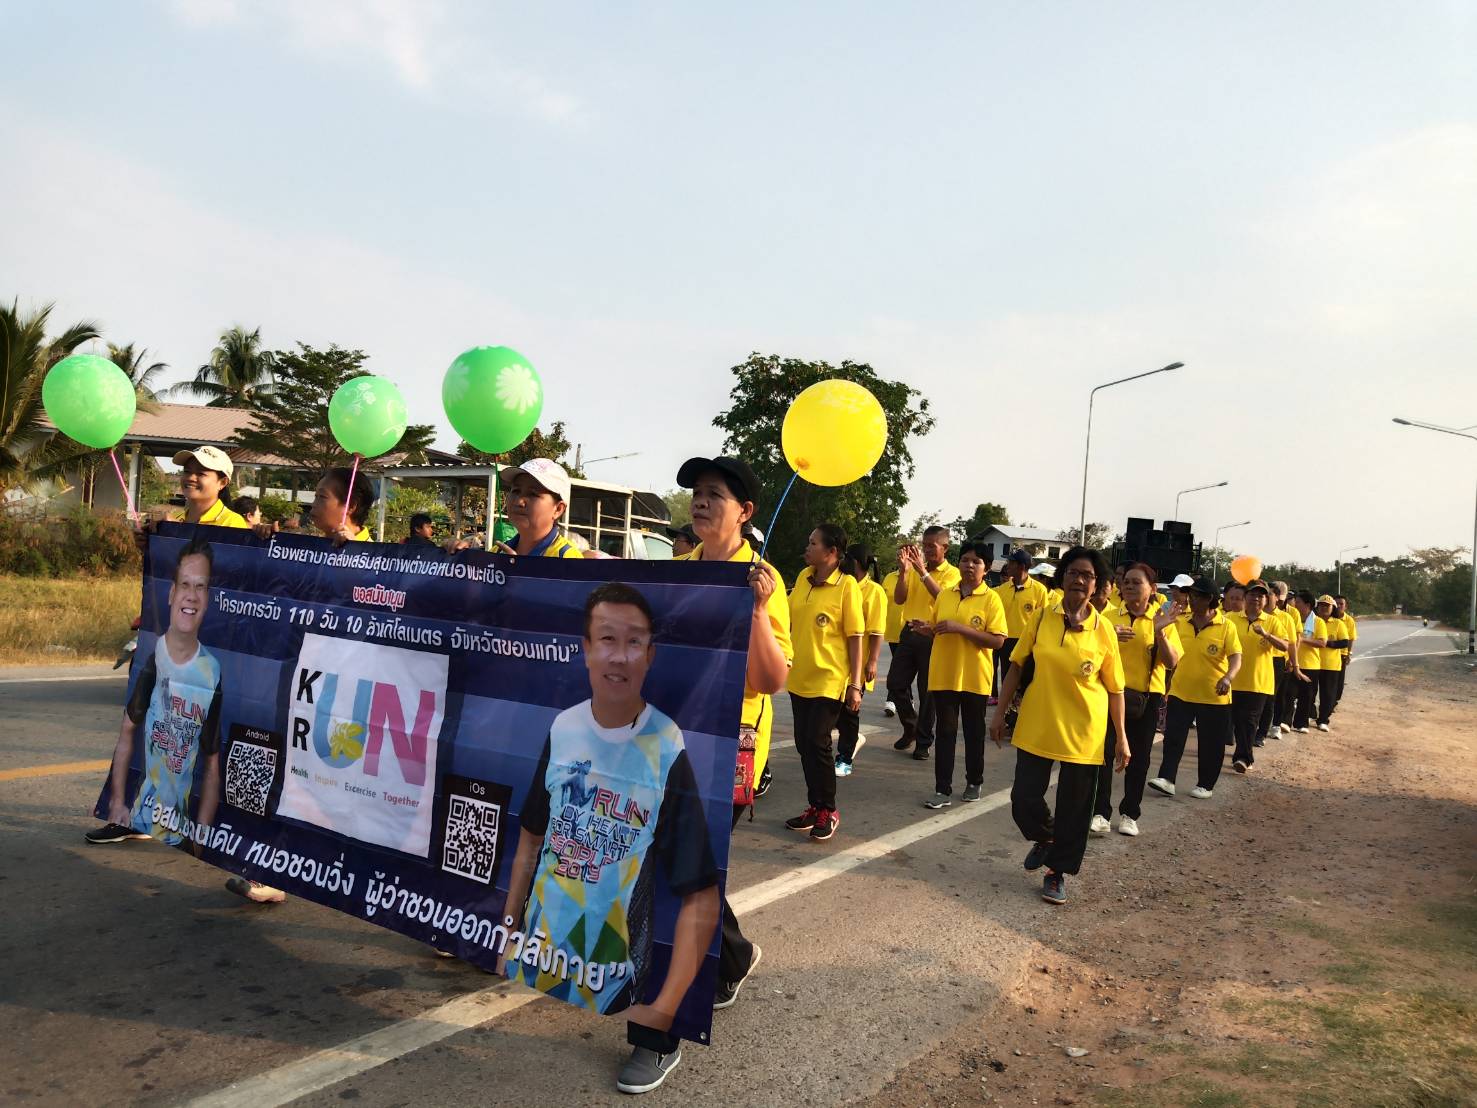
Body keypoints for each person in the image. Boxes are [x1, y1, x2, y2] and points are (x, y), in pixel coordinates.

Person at [500, 582, 720, 1095]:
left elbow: (701, 892)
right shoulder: (563, 727)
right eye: (606, 639)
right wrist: (508, 931)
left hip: (617, 972)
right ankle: (734, 958)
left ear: (650, 655)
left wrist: (663, 1010)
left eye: (634, 642)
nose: (619, 656)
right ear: (585, 650)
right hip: (543, 954)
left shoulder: (666, 744)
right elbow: (532, 835)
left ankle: (657, 1043)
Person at [672, 455, 788, 1012]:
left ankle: (724, 962)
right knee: (681, 859)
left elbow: (771, 680)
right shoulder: (680, 568)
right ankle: (731, 954)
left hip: (730, 744)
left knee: (691, 862)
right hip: (673, 736)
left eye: (714, 493)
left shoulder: (763, 580)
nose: (700, 501)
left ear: (744, 511)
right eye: (697, 491)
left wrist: (759, 613)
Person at [92, 447, 247, 846]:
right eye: (187, 470)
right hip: (164, 648)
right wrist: (149, 545)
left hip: (211, 656)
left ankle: (204, 836)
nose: (191, 476)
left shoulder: (237, 528)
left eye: (202, 472)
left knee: (204, 750)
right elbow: (162, 577)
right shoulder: (175, 527)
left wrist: (262, 537)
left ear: (223, 483)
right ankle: (130, 814)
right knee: (144, 729)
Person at [990, 547, 1127, 906]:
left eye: (1087, 576)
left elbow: (1115, 689)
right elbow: (1016, 666)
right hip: (1038, 722)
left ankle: (1057, 872)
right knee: (1023, 799)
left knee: (1075, 808)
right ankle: (1046, 836)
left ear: (1097, 585)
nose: (1079, 580)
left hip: (1085, 731)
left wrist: (1122, 738)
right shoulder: (1042, 618)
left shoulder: (1104, 630)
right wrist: (999, 713)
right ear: (1062, 578)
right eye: (1073, 573)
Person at [90, 539, 223, 847]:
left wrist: (201, 839)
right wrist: (117, 804)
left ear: (208, 598)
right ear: (172, 593)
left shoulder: (212, 672)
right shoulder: (154, 657)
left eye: (201, 587)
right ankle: (130, 823)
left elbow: (212, 764)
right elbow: (128, 730)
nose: (192, 595)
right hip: (139, 810)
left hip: (179, 829)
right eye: (185, 584)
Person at [786, 523, 864, 842]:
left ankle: (828, 810)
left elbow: (856, 638)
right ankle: (814, 806)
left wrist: (855, 684)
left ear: (832, 552)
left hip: (829, 679)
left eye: (813, 543)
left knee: (818, 743)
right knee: (804, 743)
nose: (807, 547)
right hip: (799, 677)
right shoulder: (803, 579)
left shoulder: (847, 586)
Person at [1093, 563, 1181, 838]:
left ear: (1152, 589)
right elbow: (1089, 651)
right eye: (1126, 582)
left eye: (1136, 582)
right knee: (1103, 753)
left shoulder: (1162, 619)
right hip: (1109, 693)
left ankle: (1130, 813)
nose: (1129, 586)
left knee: (1139, 758)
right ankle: (1100, 812)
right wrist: (1109, 637)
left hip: (1146, 697)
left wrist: (1160, 633)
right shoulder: (1107, 616)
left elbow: (1172, 661)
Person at [919, 542, 1006, 808]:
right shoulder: (945, 595)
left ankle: (974, 782)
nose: (969, 565)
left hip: (974, 677)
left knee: (973, 732)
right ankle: (942, 789)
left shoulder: (991, 599)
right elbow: (939, 629)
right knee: (945, 732)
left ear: (986, 569)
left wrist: (960, 628)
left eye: (976, 562)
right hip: (944, 674)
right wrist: (927, 629)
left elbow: (997, 641)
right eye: (965, 560)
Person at [1148, 577, 1242, 800]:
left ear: (1209, 599)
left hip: (1214, 697)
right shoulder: (1180, 622)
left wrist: (1228, 678)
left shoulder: (1226, 626)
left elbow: (1236, 657)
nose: (1191, 599)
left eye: (1196, 596)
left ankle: (1205, 784)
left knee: (1211, 744)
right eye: (1190, 595)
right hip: (1181, 692)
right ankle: (1167, 778)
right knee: (1173, 739)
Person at [887, 526, 960, 759]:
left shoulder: (953, 574)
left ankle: (923, 740)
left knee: (927, 692)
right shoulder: (915, 570)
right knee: (895, 684)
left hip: (931, 635)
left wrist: (921, 571)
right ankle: (911, 725)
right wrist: (904, 572)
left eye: (932, 546)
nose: (926, 550)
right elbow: (899, 599)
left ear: (945, 548)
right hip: (909, 631)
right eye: (924, 545)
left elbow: (943, 598)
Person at [1227, 580, 1289, 772]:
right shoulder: (1230, 618)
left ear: (1266, 600)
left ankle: (1243, 758)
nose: (1256, 598)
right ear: (1245, 597)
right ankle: (1242, 754)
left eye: (1261, 595)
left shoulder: (1272, 621)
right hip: (1232, 680)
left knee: (1249, 721)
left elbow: (1285, 646)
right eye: (1252, 594)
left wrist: (1267, 635)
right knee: (1236, 720)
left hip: (1258, 681)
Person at [835, 544, 886, 777]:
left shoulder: (874, 592)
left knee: (849, 711)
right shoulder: (841, 584)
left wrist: (872, 661)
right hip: (835, 661)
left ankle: (845, 757)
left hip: (857, 663)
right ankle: (853, 740)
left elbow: (876, 631)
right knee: (832, 711)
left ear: (854, 562)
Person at [496, 458, 584, 558]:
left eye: (532, 494)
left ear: (558, 509)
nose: (519, 502)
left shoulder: (568, 558)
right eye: (516, 491)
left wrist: (518, 566)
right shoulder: (496, 552)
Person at [992, 549, 1050, 700]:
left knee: (1025, 681)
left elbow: (1044, 620)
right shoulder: (1001, 590)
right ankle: (1006, 710)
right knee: (1007, 678)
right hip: (1006, 641)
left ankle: (1023, 709)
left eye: (1011, 563)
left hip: (1027, 643)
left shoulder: (1039, 590)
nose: (1007, 566)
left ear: (1022, 567)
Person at [1258, 581, 1301, 742]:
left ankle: (1271, 727)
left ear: (1276, 597)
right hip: (1257, 659)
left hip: (1277, 660)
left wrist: (1293, 662)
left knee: (1272, 696)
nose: (1266, 597)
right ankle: (1256, 727)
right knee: (1258, 696)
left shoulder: (1286, 618)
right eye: (1264, 594)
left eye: (1269, 594)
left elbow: (1292, 643)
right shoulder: (1255, 614)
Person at [1290, 590, 1325, 733]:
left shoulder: (1318, 622)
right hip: (1292, 662)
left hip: (1310, 665)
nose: (1295, 605)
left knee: (1306, 697)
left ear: (1308, 605)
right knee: (1289, 694)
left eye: (1298, 602)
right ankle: (1284, 722)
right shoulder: (1292, 619)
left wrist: (1302, 639)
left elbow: (1322, 642)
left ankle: (1301, 724)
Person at [1315, 595, 1350, 730]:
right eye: (1321, 605)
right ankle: (1309, 714)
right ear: (1317, 607)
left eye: (1327, 606)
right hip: (1312, 663)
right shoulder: (1312, 621)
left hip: (1331, 665)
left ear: (1332, 608)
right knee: (1309, 693)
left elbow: (1344, 642)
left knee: (1328, 695)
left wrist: (1328, 643)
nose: (1324, 608)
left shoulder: (1338, 623)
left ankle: (1323, 719)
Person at [879, 552, 906, 717]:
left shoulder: (919, 577)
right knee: (900, 666)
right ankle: (906, 699)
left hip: (911, 631)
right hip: (893, 630)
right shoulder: (889, 577)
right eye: (900, 555)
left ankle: (893, 699)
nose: (902, 559)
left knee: (899, 667)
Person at [1335, 595, 1358, 704]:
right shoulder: (1326, 617)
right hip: (1327, 654)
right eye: (1336, 603)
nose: (1338, 606)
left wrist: (1349, 653)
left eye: (1341, 604)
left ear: (1346, 606)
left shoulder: (1349, 621)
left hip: (1342, 654)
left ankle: (1335, 700)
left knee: (1339, 680)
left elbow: (1351, 639)